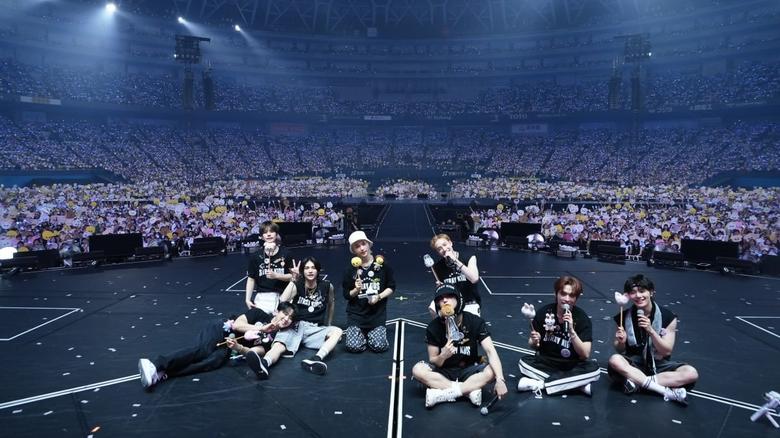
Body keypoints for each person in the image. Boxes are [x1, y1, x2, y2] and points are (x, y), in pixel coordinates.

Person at [137, 303, 296, 389]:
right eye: (285, 313)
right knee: (203, 350)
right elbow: (238, 325)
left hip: (229, 346)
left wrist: (238, 348)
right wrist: (260, 329)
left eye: (290, 318)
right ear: (277, 311)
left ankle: (164, 373)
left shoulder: (273, 339)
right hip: (221, 328)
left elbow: (255, 351)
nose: (286, 319)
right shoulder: (259, 314)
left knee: (213, 362)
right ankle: (156, 364)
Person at [412, 284, 508, 408]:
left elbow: (490, 351)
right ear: (437, 305)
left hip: (469, 369)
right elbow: (434, 361)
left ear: (459, 300)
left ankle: (444, 394)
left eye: (449, 296)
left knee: (492, 371)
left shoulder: (475, 321)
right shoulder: (433, 327)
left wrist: (500, 379)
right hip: (444, 371)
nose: (445, 300)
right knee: (418, 370)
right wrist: (443, 355)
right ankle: (468, 392)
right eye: (440, 298)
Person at [607, 274, 699, 404]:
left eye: (642, 291)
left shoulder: (668, 317)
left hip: (659, 363)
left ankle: (637, 382)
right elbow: (619, 350)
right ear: (628, 296)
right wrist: (621, 342)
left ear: (651, 292)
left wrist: (651, 331)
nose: (638, 296)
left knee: (691, 373)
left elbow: (666, 351)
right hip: (634, 363)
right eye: (633, 292)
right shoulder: (623, 316)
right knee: (615, 360)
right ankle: (665, 391)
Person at [248, 257, 342, 378]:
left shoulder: (327, 286)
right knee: (279, 345)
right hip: (296, 325)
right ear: (303, 271)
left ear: (318, 270)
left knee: (337, 331)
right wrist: (293, 279)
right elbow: (283, 300)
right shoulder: (297, 285)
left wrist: (328, 324)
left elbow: (331, 303)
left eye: (313, 268)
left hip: (313, 329)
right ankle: (264, 364)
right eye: (306, 268)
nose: (310, 271)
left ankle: (315, 359)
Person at [516, 276, 600, 396]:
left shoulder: (582, 318)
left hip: (572, 365)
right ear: (556, 294)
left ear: (576, 298)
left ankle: (540, 384)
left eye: (571, 295)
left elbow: (585, 354)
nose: (567, 299)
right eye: (563, 294)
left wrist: (571, 331)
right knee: (523, 362)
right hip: (547, 363)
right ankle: (576, 385)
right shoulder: (543, 312)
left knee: (595, 370)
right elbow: (533, 345)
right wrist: (535, 341)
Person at [342, 230, 395, 353]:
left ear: (368, 244)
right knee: (353, 347)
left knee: (379, 346)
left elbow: (391, 287)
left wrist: (379, 297)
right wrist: (356, 290)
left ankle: (369, 334)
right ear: (353, 250)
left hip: (376, 315)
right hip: (356, 316)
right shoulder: (350, 269)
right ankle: (361, 334)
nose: (362, 248)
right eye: (357, 246)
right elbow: (346, 295)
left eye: (363, 244)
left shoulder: (382, 265)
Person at [245, 221, 295, 314]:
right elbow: (251, 279)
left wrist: (277, 276)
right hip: (262, 297)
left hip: (283, 296)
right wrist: (247, 299)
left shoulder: (286, 254)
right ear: (261, 236)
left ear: (276, 234)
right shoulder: (255, 256)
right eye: (265, 232)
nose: (268, 234)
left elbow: (293, 277)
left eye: (271, 231)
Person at [427, 233, 481, 319]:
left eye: (445, 245)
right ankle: (443, 326)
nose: (444, 249)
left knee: (471, 324)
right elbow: (444, 290)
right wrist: (440, 287)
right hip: (452, 302)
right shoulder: (438, 267)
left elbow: (474, 279)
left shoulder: (469, 257)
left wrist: (455, 260)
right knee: (433, 307)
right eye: (439, 249)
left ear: (450, 243)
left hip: (469, 302)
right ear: (438, 252)